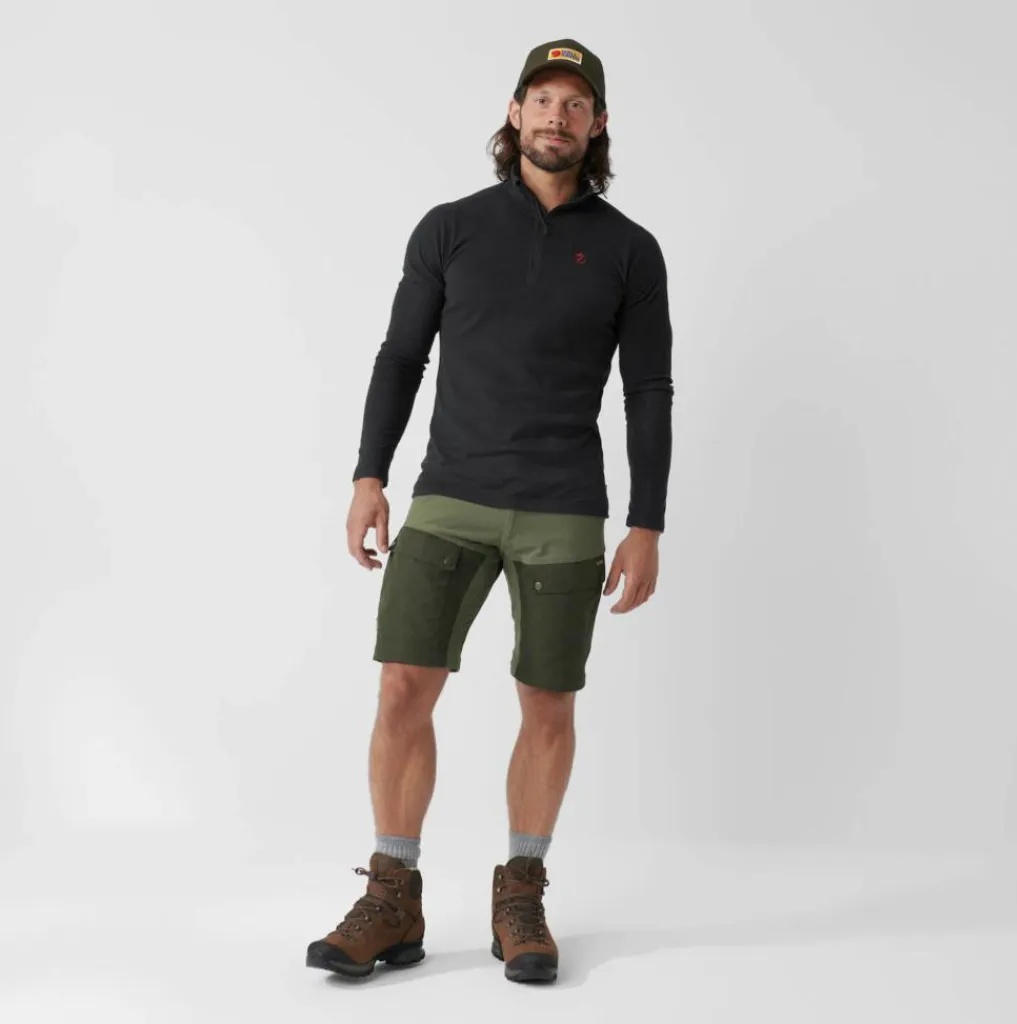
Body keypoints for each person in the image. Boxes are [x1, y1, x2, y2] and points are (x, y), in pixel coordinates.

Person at [306, 37, 673, 984]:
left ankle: (521, 896)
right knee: (402, 686)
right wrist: (368, 475)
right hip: (449, 497)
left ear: (597, 125)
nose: (557, 115)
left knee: (548, 703)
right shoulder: (451, 228)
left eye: (575, 103)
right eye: (542, 98)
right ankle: (393, 894)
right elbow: (401, 358)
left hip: (564, 507)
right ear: (515, 114)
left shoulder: (629, 250)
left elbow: (648, 392)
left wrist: (647, 522)